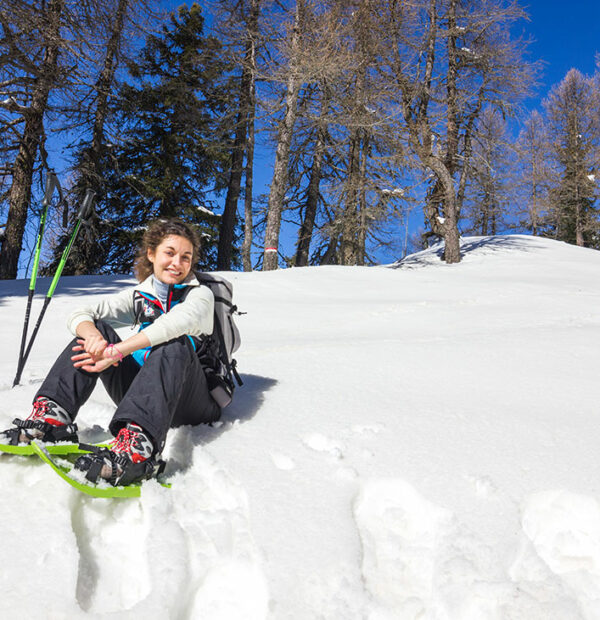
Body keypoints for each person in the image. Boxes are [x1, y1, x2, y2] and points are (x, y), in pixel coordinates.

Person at [1, 218, 221, 486]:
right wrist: (94, 337)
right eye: (170, 253)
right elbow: (81, 314)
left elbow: (173, 325)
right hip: (148, 397)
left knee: (173, 341)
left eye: (186, 257)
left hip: (193, 402)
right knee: (95, 332)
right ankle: (52, 417)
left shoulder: (201, 296)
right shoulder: (141, 296)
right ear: (151, 254)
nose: (178, 263)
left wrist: (116, 352)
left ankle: (138, 451)